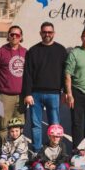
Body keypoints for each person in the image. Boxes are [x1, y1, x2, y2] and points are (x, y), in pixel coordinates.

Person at [22, 22, 67, 153]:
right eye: (44, 32)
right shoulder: (33, 50)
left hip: (54, 94)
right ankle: (36, 151)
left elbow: (65, 73)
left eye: (50, 32)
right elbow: (28, 74)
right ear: (40, 33)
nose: (47, 34)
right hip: (35, 94)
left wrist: (64, 91)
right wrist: (28, 93)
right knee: (36, 125)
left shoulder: (61, 50)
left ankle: (55, 151)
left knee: (55, 125)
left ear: (53, 33)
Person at [0, 25, 26, 148]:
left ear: (21, 37)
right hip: (3, 96)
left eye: (17, 35)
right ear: (8, 36)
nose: (14, 37)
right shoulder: (0, 52)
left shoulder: (26, 52)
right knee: (3, 126)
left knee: (19, 126)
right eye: (12, 34)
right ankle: (4, 155)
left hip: (21, 96)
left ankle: (17, 154)